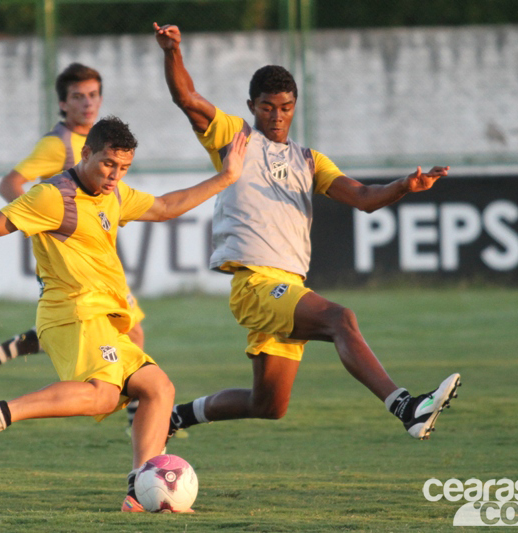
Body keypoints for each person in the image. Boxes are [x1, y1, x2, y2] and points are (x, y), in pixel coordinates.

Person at [0, 116, 247, 512]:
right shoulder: (53, 197)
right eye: (108, 164)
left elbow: (164, 207)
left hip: (103, 316)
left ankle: (139, 492)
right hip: (73, 312)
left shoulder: (114, 194)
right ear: (86, 153)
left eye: (123, 167)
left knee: (158, 389)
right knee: (104, 395)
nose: (114, 175)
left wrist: (226, 177)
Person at [153, 22, 460, 442]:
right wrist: (172, 51)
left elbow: (364, 197)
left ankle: (174, 418)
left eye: (285, 107)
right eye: (267, 107)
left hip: (288, 287)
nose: (277, 116)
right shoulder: (234, 137)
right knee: (340, 318)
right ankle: (407, 408)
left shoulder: (310, 160)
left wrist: (404, 185)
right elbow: (186, 98)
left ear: (295, 106)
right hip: (256, 285)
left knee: (269, 404)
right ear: (251, 105)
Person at [0, 63, 153, 434]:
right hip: (69, 259)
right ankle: (141, 420)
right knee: (109, 330)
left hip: (96, 261)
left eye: (93, 95)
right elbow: (10, 183)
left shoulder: (104, 143)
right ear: (63, 104)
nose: (87, 103)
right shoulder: (58, 144)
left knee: (119, 332)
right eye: (78, 97)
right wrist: (39, 224)